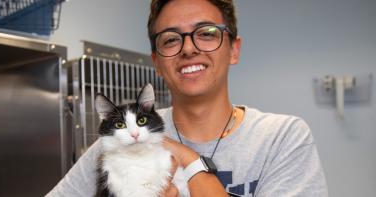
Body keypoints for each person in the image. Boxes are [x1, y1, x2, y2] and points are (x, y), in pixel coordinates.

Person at [46, 0, 328, 196]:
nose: (189, 48)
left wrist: (191, 161)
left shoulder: (282, 137)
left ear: (233, 49)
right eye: (171, 39)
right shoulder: (116, 145)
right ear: (156, 61)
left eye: (206, 33)